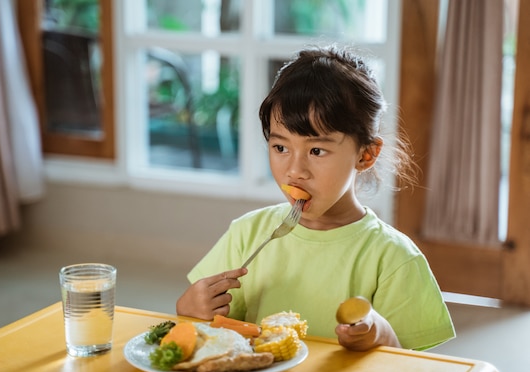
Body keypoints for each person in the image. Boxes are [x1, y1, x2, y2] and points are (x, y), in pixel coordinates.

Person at [176, 45, 455, 351]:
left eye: (316, 151)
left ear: (366, 154)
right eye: (280, 148)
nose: (295, 171)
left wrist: (381, 335)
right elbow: (215, 334)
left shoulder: (394, 259)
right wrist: (191, 311)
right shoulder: (247, 234)